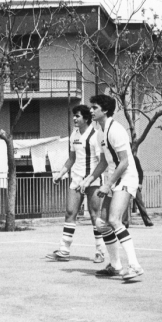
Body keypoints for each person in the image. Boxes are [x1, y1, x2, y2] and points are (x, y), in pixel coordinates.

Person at [78, 95, 144, 281]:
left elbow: (124, 162)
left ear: (105, 110)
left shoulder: (116, 130)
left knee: (114, 220)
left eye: (94, 107)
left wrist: (107, 185)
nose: (91, 110)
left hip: (127, 177)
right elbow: (104, 163)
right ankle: (115, 266)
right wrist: (88, 179)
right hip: (115, 178)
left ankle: (135, 266)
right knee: (102, 223)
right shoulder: (99, 132)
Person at [46, 105, 107, 263]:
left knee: (95, 216)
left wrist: (91, 179)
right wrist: (60, 173)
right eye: (74, 116)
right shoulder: (74, 135)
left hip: (93, 180)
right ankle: (64, 250)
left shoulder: (95, 135)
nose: (74, 118)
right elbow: (72, 159)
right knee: (70, 212)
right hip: (76, 179)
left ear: (86, 118)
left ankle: (100, 251)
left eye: (78, 116)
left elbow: (102, 162)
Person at [132, 154, 154, 227]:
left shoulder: (134, 158)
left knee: (140, 202)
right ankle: (124, 222)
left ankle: (147, 221)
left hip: (134, 183)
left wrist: (140, 183)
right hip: (125, 182)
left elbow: (140, 171)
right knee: (124, 204)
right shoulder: (120, 158)